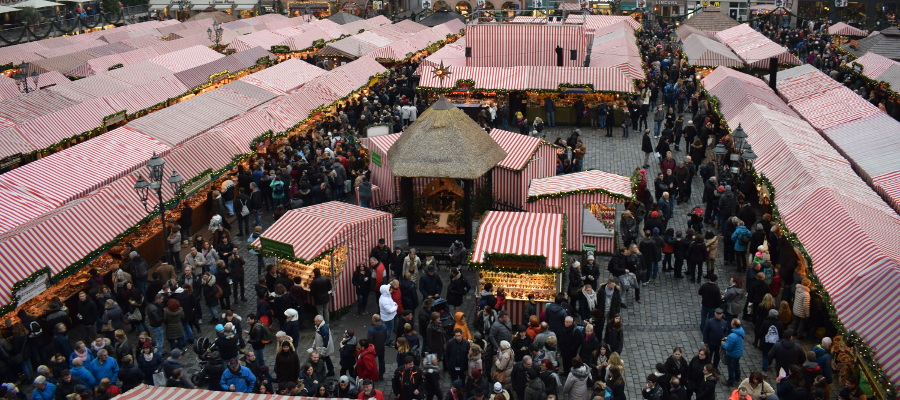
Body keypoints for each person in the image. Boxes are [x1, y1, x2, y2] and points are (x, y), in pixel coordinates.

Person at [722, 319, 746, 386]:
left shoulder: (732, 336)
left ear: (734, 325)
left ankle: (730, 381)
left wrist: (723, 343)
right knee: (737, 366)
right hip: (739, 353)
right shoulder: (741, 331)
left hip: (732, 354)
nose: (730, 323)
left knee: (731, 368)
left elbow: (728, 347)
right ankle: (737, 378)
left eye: (732, 322)